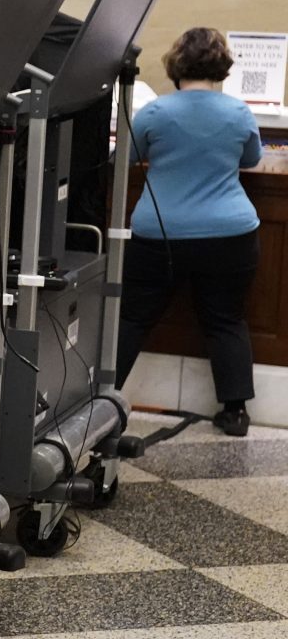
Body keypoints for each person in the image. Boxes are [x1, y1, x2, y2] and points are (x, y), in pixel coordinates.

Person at [116, 26, 263, 437]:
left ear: (176, 64)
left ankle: (101, 398)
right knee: (226, 320)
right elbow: (251, 158)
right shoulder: (238, 113)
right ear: (221, 67)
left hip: (160, 234)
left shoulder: (156, 113)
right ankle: (235, 413)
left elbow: (123, 158)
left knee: (132, 318)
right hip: (231, 235)